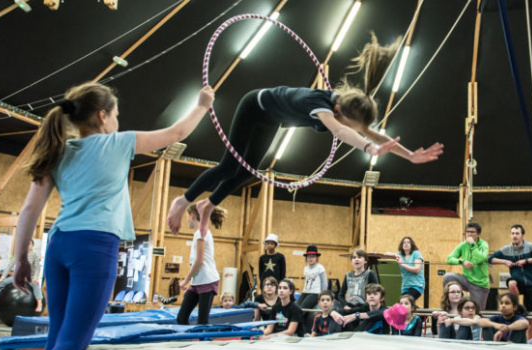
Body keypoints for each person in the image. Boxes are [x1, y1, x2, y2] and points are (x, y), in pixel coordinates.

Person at [10, 82, 214, 350]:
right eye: (117, 114)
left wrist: (20, 258)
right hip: (93, 248)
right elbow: (175, 133)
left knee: (58, 338)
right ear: (103, 116)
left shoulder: (59, 150)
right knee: (72, 341)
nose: (118, 121)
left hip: (59, 245)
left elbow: (29, 210)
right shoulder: (117, 143)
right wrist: (202, 105)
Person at [166, 34, 444, 236]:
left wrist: (409, 156)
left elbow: (373, 133)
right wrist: (369, 149)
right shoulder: (321, 107)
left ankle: (208, 205)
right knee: (229, 166)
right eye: (351, 125)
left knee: (248, 171)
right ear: (337, 110)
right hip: (254, 107)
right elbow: (340, 130)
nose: (356, 129)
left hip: (272, 120)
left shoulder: (346, 107)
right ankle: (183, 200)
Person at [489, 224, 532, 339]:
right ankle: (517, 305)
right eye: (512, 233)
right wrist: (505, 262)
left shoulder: (530, 246)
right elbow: (490, 259)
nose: (514, 236)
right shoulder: (506, 249)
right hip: (517, 283)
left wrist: (526, 261)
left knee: (531, 316)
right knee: (511, 283)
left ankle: (529, 341)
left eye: (517, 233)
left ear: (522, 235)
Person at [177, 203, 226, 325]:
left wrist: (185, 280)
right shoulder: (198, 233)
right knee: (181, 318)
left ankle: (203, 342)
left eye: (187, 216)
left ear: (192, 215)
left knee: (202, 321)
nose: (187, 220)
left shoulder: (201, 233)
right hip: (197, 281)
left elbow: (199, 261)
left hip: (208, 280)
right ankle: (188, 341)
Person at [0, 240, 43, 315]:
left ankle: (39, 303)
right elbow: (9, 266)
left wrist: (35, 277)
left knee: (35, 285)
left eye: (29, 244)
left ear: (32, 245)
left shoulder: (35, 255)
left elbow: (37, 268)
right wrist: (2, 278)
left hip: (30, 276)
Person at [446, 293, 529, 343]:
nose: (503, 306)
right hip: (498, 348)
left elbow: (525, 323)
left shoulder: (518, 318)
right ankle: (490, 347)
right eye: (501, 303)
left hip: (514, 348)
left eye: (507, 303)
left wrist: (506, 328)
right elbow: (481, 322)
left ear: (514, 307)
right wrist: (496, 325)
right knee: (487, 325)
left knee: (519, 328)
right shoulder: (497, 318)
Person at [444, 222, 490, 310]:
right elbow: (449, 259)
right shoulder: (463, 245)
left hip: (480, 283)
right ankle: (451, 306)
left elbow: (480, 258)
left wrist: (473, 244)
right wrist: (462, 261)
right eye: (467, 232)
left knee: (477, 311)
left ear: (478, 234)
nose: (469, 234)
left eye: (472, 232)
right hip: (466, 279)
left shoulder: (484, 245)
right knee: (448, 277)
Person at [390, 236, 424, 301]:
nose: (406, 244)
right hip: (405, 286)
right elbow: (386, 253)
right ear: (401, 245)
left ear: (411, 245)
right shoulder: (400, 255)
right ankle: (413, 308)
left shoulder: (416, 254)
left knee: (406, 301)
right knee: (404, 304)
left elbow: (417, 270)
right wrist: (395, 255)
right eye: (404, 242)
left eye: (408, 242)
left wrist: (402, 264)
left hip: (416, 285)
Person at [298, 244, 327, 309]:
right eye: (309, 257)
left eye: (313, 256)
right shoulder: (306, 268)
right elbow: (306, 281)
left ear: (316, 258)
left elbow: (324, 283)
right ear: (306, 258)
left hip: (315, 293)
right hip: (305, 292)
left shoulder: (320, 268)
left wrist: (322, 296)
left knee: (302, 309)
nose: (310, 258)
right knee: (296, 307)